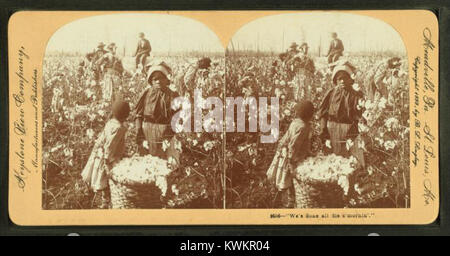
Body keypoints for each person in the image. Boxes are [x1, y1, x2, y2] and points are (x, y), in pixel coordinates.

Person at [81, 98, 130, 208]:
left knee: (103, 181)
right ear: (125, 115)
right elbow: (110, 146)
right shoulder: (119, 128)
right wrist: (108, 161)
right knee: (109, 180)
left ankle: (104, 201)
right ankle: (107, 202)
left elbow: (103, 140)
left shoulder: (110, 123)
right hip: (109, 158)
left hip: (100, 154)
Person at [266, 100, 315, 208]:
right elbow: (294, 144)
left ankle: (282, 199)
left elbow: (287, 137)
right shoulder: (304, 127)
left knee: (284, 178)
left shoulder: (295, 122)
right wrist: (291, 160)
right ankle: (288, 201)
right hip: (292, 156)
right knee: (291, 179)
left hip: (285, 152)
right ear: (309, 115)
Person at [317, 62, 365, 166]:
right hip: (332, 129)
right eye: (339, 79)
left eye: (345, 78)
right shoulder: (331, 93)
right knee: (334, 161)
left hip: (350, 130)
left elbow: (359, 118)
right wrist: (324, 132)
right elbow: (323, 114)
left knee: (352, 161)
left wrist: (351, 135)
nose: (342, 81)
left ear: (350, 79)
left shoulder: (356, 95)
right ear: (335, 80)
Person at [134, 62, 180, 159]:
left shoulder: (172, 95)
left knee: (165, 161)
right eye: (155, 79)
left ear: (166, 79)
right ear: (151, 81)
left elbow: (177, 118)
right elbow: (138, 115)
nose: (158, 81)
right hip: (147, 132)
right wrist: (139, 133)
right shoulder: (146, 94)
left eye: (161, 78)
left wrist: (168, 136)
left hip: (165, 133)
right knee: (147, 161)